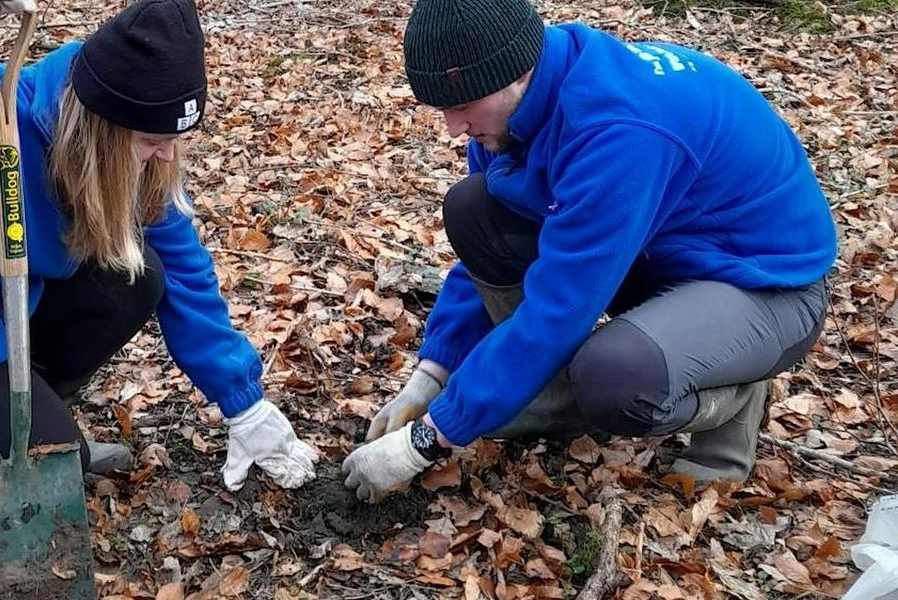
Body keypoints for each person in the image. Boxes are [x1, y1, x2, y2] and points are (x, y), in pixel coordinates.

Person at [0, 0, 318, 509]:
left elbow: (187, 272)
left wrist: (244, 404)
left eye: (174, 139)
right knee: (57, 471)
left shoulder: (134, 159)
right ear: (104, 130)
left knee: (138, 277)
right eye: (151, 140)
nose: (165, 154)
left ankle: (28, 415)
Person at [343, 0, 836, 503]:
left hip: (765, 286)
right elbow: (481, 267)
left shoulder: (615, 131)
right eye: (443, 109)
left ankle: (731, 398)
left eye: (463, 106)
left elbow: (560, 310)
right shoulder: (512, 115)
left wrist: (427, 441)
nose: (453, 128)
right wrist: (433, 374)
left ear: (516, 73)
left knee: (616, 379)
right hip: (654, 255)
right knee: (474, 206)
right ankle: (542, 391)